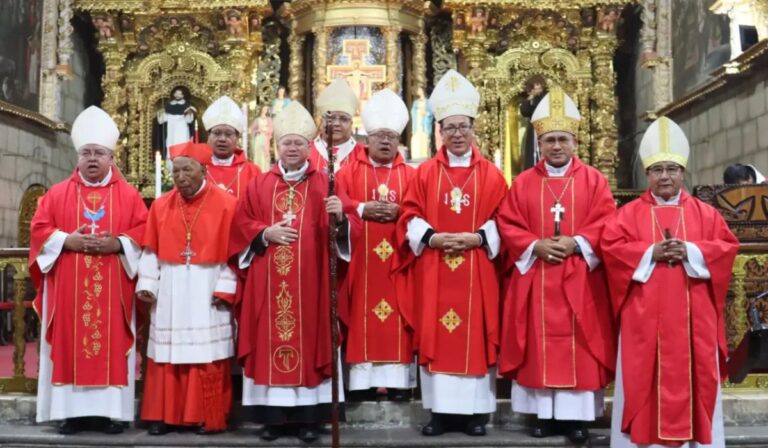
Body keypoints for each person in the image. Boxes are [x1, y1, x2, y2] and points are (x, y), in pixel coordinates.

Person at [601, 117, 739, 447]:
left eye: (672, 169)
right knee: (641, 378)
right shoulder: (627, 215)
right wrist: (651, 252)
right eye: (658, 170)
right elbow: (611, 250)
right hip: (643, 321)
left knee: (697, 377)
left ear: (683, 172)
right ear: (647, 174)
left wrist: (691, 250)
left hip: (695, 321)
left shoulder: (706, 214)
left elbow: (726, 248)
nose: (665, 176)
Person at [495, 86, 617, 444]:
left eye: (563, 139)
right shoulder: (523, 183)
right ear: (539, 144)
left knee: (580, 344)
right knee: (537, 343)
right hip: (537, 276)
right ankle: (543, 416)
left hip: (581, 278)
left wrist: (576, 242)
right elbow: (507, 222)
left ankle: (576, 419)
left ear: (575, 142)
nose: (557, 146)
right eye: (550, 140)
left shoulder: (594, 181)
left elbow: (608, 222)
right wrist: (535, 244)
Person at [228, 101, 352, 443]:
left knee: (313, 340)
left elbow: (345, 232)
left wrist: (340, 217)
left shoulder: (326, 183)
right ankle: (274, 419)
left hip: (313, 283)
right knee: (269, 338)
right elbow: (240, 226)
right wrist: (264, 233)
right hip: (268, 283)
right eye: (287, 143)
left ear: (310, 147)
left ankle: (310, 418)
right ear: (276, 146)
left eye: (299, 142)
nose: (293, 148)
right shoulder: (258, 185)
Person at [393, 69, 507, 436]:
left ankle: (475, 415)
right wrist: (433, 238)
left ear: (474, 129)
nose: (457, 134)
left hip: (477, 267)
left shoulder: (491, 175)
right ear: (439, 131)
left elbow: (505, 219)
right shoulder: (425, 173)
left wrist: (478, 238)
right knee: (437, 332)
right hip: (435, 266)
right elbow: (409, 215)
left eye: (463, 127)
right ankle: (440, 414)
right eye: (450, 128)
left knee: (475, 333)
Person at [29, 106, 148, 435]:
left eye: (99, 153)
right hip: (68, 291)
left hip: (113, 291)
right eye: (86, 153)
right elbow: (38, 231)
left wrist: (118, 244)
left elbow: (144, 232)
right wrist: (66, 240)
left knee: (110, 346)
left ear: (111, 157)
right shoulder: (56, 194)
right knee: (69, 344)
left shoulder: (129, 196)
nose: (92, 159)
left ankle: (109, 414)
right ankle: (70, 414)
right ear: (78, 156)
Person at [136, 142, 238, 435]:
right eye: (176, 171)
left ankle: (207, 416)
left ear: (203, 170)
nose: (180, 177)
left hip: (208, 288)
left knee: (206, 353)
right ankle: (162, 415)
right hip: (171, 288)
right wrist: (148, 284)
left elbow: (234, 254)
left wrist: (225, 288)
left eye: (187, 170)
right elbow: (150, 250)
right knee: (166, 354)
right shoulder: (161, 205)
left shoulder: (227, 204)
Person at [337, 89, 417, 401]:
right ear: (366, 138)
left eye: (391, 137)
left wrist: (402, 213)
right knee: (362, 312)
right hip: (361, 261)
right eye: (379, 136)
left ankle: (398, 383)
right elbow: (335, 204)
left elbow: (422, 211)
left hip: (399, 260)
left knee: (399, 311)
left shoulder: (412, 175)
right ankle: (362, 383)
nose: (385, 141)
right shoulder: (348, 172)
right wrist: (361, 208)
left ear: (398, 141)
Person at [202, 95, 261, 199]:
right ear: (208, 136)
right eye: (217, 133)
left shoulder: (252, 171)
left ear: (237, 137)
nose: (222, 139)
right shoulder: (196, 169)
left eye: (228, 134)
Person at [309, 78, 365, 172]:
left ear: (351, 123)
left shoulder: (363, 154)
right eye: (331, 118)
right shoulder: (305, 151)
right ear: (322, 121)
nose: (336, 123)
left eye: (343, 119)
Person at [156, 87, 196, 153]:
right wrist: (161, 113)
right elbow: (162, 120)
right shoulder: (169, 105)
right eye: (176, 93)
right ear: (174, 94)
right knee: (171, 145)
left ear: (183, 95)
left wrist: (189, 113)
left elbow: (189, 121)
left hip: (182, 130)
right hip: (171, 130)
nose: (177, 95)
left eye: (180, 94)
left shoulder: (187, 105)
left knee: (182, 146)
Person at [409, 87, 433, 160]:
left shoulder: (428, 102)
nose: (418, 91)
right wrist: (417, 112)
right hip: (417, 121)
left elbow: (431, 112)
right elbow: (412, 111)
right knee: (416, 138)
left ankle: (424, 155)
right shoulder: (416, 102)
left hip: (425, 122)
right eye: (418, 90)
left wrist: (426, 113)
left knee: (424, 138)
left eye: (420, 90)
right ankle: (416, 155)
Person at [248, 105, 273, 171]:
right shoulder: (257, 119)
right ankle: (257, 169)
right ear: (261, 109)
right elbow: (251, 130)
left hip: (265, 138)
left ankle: (264, 170)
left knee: (264, 153)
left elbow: (271, 129)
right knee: (258, 153)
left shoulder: (269, 119)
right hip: (258, 138)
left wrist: (265, 129)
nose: (265, 110)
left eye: (266, 109)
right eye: (264, 109)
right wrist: (257, 131)